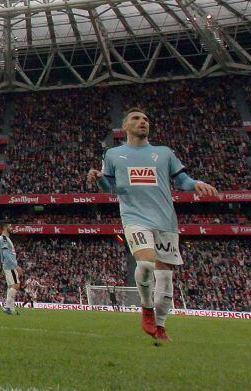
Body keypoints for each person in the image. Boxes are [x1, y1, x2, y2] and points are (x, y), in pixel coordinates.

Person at [87, 107, 218, 342]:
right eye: (136, 119)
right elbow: (110, 188)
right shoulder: (114, 155)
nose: (143, 122)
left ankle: (161, 325)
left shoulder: (164, 153)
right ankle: (146, 307)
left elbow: (182, 181)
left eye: (146, 119)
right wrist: (98, 180)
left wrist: (196, 183)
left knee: (165, 278)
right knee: (146, 264)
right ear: (125, 127)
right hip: (135, 218)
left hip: (166, 220)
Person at [0, 222, 22, 315]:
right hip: (10, 265)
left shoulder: (6, 239)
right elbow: (6, 254)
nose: (12, 227)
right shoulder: (3, 239)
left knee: (11, 286)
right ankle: (7, 307)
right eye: (10, 226)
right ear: (4, 227)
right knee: (16, 285)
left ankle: (11, 309)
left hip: (8, 265)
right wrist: (16, 266)